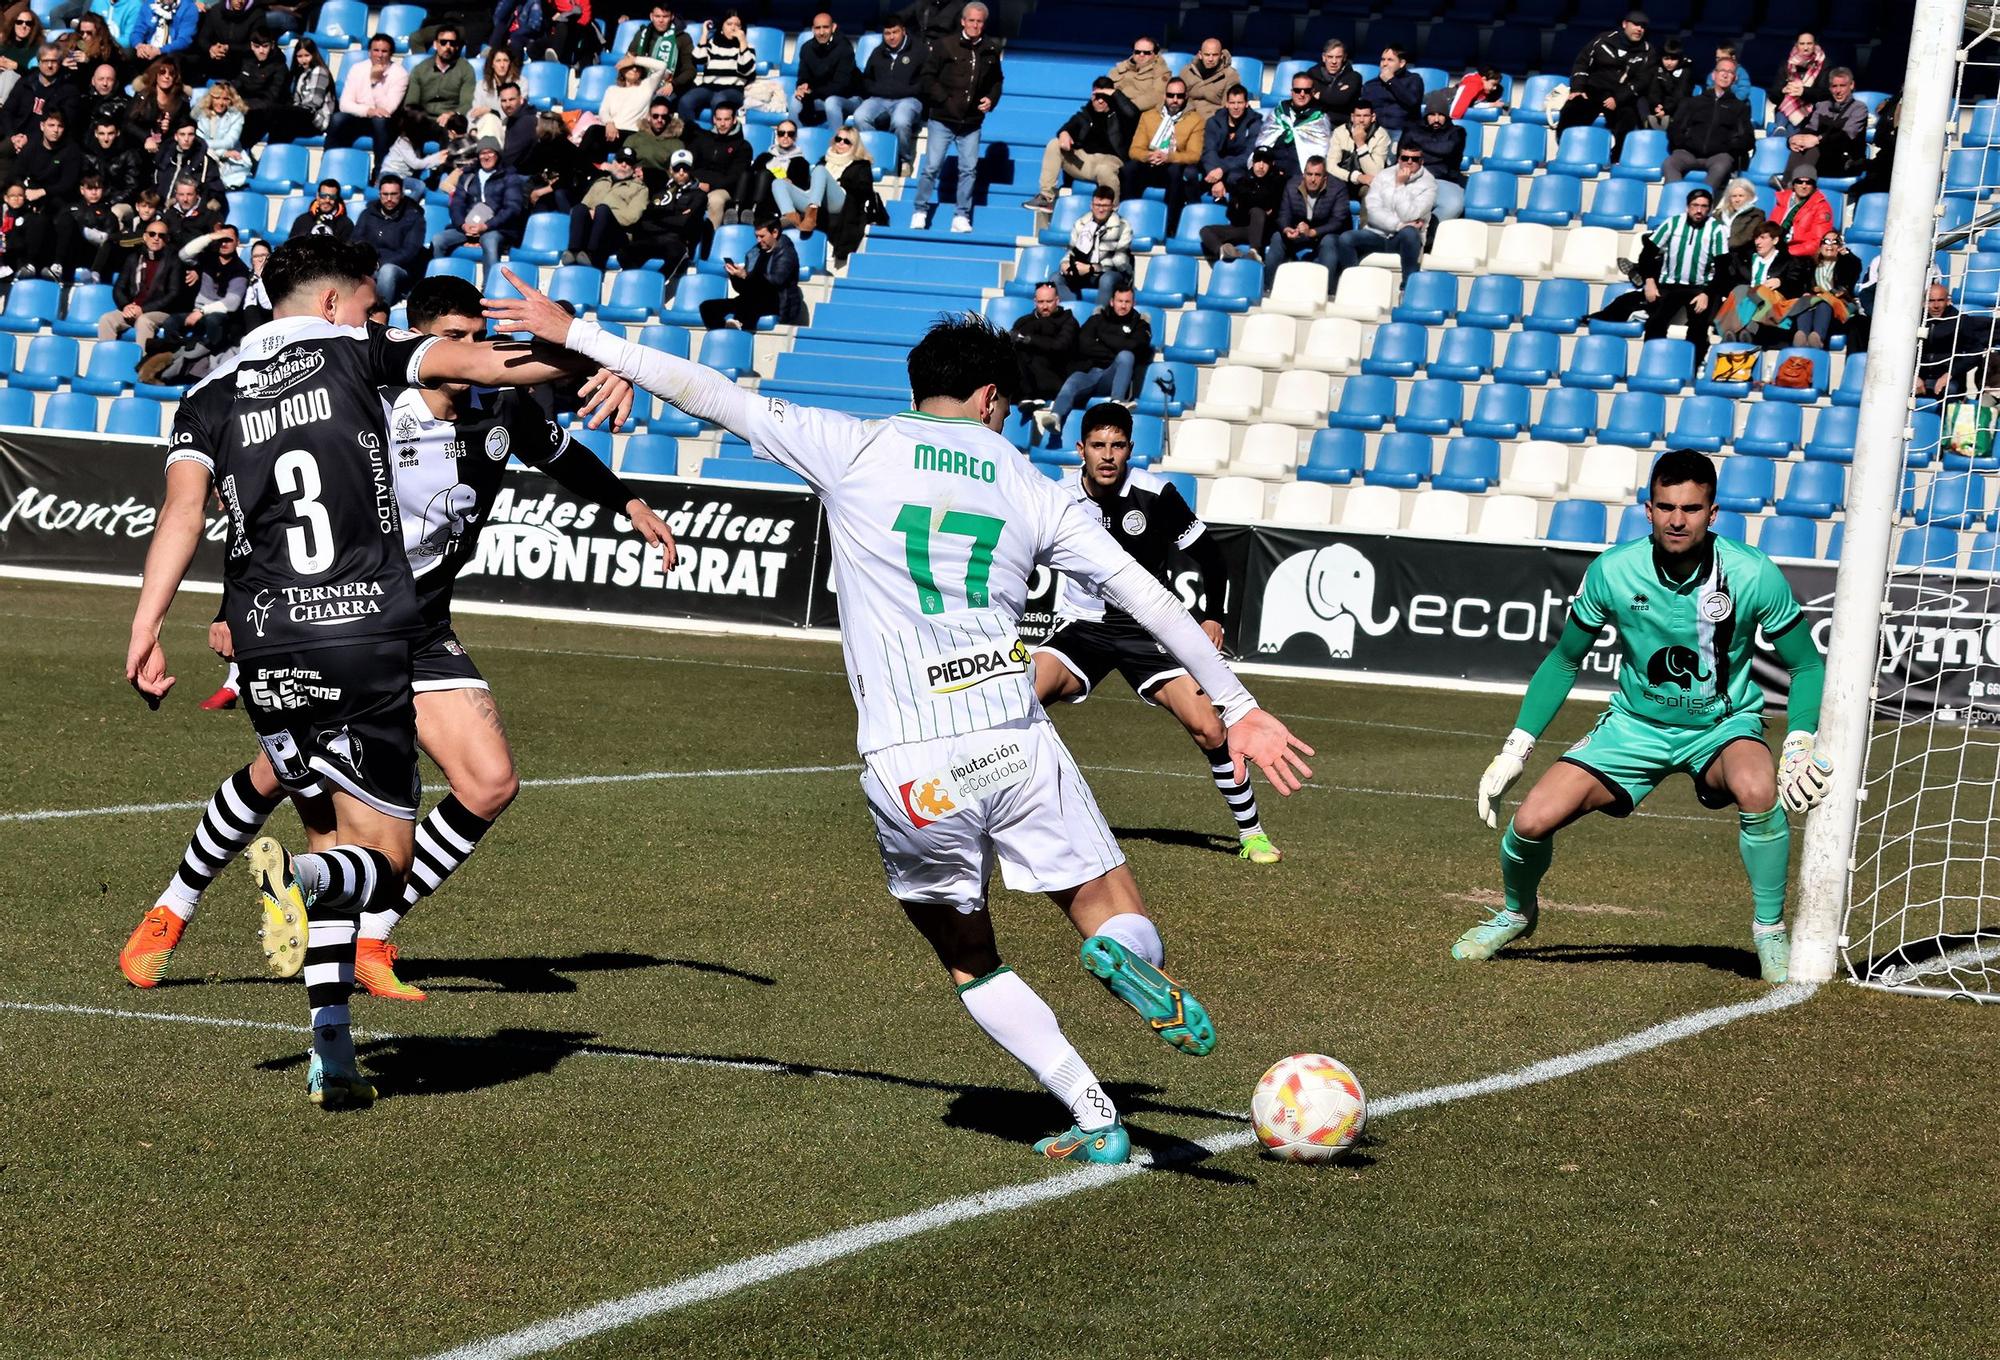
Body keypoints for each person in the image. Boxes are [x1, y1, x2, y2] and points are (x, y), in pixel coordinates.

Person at [483, 285, 1313, 1164]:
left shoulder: (857, 446)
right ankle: (1121, 954)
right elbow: (1143, 594)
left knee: (971, 957)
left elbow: (711, 392)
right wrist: (1239, 705)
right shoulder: (1032, 486)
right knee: (1110, 909)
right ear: (992, 401)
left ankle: (1094, 1110)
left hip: (911, 761)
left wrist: (582, 335)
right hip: (1011, 736)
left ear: (919, 391)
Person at [122, 235, 635, 1106]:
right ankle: (299, 885)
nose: (374, 316)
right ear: (332, 305)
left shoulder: (207, 395)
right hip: (362, 635)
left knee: (323, 815)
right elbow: (487, 362)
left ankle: (333, 1045)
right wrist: (589, 350)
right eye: (365, 301)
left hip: (270, 638)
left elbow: (181, 510)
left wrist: (145, 624)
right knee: (376, 862)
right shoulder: (361, 356)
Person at [1460, 449, 1829, 983]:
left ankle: (1769, 932)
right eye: (1665, 506)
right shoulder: (1613, 569)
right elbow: (1565, 659)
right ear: (1648, 509)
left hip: (1722, 728)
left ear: (1713, 512)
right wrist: (1516, 748)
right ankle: (1518, 913)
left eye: (1691, 508)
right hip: (1634, 728)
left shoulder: (1753, 574)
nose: (1677, 519)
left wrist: (1798, 741)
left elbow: (1807, 666)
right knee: (1529, 822)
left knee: (1757, 785)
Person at [1035, 402, 1281, 863]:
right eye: (1098, 446)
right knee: (1020, 694)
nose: (1107, 455)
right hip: (1081, 627)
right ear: (1080, 449)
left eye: (1118, 446)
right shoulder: (1056, 496)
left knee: (1209, 727)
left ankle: (1252, 834)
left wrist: (1212, 616)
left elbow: (1212, 556)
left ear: (1129, 450)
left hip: (1147, 630)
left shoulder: (1155, 494)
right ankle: (1005, 816)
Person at [1585, 185, 1727, 365]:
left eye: (1704, 206)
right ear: (1687, 206)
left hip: (1699, 289)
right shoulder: (1672, 223)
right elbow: (1647, 254)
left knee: (1698, 328)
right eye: (1695, 205)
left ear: (1709, 208)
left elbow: (1723, 267)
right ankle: (1652, 364)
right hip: (1670, 285)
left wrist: (1707, 293)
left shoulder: (1716, 229)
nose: (1699, 210)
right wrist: (1649, 282)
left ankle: (1691, 367)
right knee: (1655, 323)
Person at [909, 0, 1000, 234]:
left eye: (979, 21)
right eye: (971, 20)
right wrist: (944, 101)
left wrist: (992, 98)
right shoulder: (944, 45)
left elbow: (997, 80)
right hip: (942, 119)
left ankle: (961, 215)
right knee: (931, 167)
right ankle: (920, 210)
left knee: (969, 169)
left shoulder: (991, 49)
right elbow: (928, 77)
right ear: (963, 21)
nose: (975, 25)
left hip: (971, 123)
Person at [138, 220, 249, 380]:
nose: (224, 243)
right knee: (171, 322)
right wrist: (210, 236)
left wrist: (202, 312)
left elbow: (232, 303)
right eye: (221, 239)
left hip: (220, 316)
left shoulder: (240, 269)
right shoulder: (208, 259)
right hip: (198, 311)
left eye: (229, 239)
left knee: (213, 321)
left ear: (237, 242)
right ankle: (174, 357)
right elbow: (184, 254)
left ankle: (198, 361)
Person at [1043, 282, 1151, 436]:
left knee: (1125, 356)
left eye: (1127, 302)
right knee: (1073, 380)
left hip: (1112, 376)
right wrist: (1116, 346)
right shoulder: (1097, 319)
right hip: (1090, 371)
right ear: (1112, 302)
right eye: (1120, 301)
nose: (1123, 306)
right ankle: (1055, 417)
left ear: (1133, 303)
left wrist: (1102, 338)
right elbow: (1083, 345)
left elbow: (1136, 347)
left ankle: (1117, 402)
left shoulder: (1140, 325)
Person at [1332, 141, 1434, 289]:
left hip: (1403, 240)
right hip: (1376, 234)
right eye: (1405, 158)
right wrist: (1398, 224)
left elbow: (1410, 215)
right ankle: (1353, 285)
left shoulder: (1428, 183)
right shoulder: (1384, 176)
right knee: (1346, 238)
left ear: (1421, 161)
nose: (1409, 162)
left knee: (1410, 233)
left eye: (1415, 159)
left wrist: (1400, 185)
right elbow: (1373, 212)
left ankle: (1408, 285)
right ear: (1399, 159)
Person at [1025, 76, 1132, 212]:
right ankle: (1046, 198)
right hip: (1085, 161)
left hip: (1110, 161)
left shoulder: (1120, 115)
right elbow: (1068, 126)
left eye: (1104, 97)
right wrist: (1064, 133)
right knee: (1054, 144)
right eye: (1097, 96)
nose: (1100, 101)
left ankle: (1112, 211)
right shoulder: (1086, 114)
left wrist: (1114, 94)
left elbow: (1132, 114)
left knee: (1104, 170)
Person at [1557, 10, 1653, 157]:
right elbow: (1582, 63)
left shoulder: (1648, 51)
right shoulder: (1602, 40)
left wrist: (1618, 98)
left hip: (1621, 96)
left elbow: (1642, 81)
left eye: (1643, 27)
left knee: (1629, 117)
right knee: (1572, 108)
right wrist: (1577, 87)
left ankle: (1617, 158)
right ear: (1625, 24)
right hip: (1594, 90)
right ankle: (1566, 151)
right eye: (1636, 25)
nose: (1640, 29)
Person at [431, 136, 522, 279]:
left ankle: (488, 291)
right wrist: (462, 225)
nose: (486, 157)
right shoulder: (468, 175)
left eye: (490, 152)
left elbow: (513, 207)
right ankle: (440, 283)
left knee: (489, 241)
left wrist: (486, 226)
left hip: (497, 227)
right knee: (438, 240)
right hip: (469, 226)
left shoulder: (509, 176)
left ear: (497, 154)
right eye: (482, 153)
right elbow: (457, 204)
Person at [1120, 77, 1201, 234]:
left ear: (1186, 97)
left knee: (1176, 171)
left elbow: (1194, 155)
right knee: (1129, 169)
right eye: (1171, 95)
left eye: (1179, 96)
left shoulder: (1195, 120)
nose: (1175, 100)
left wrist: (1168, 157)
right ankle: (1125, 221)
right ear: (1165, 96)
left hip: (1171, 166)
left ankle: (1169, 228)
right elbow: (1135, 150)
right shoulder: (1148, 116)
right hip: (1149, 164)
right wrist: (1150, 155)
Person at [97, 213, 190, 348]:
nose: (156, 238)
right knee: (107, 319)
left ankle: (142, 366)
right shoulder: (133, 258)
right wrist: (126, 306)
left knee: (144, 321)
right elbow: (119, 287)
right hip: (133, 308)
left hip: (160, 311)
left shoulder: (174, 261)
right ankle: (105, 362)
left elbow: (173, 294)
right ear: (145, 237)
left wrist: (144, 309)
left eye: (161, 235)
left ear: (167, 239)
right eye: (152, 234)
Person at [1661, 58, 1753, 193]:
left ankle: (1702, 202)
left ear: (1735, 78)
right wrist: (1685, 142)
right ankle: (1677, 202)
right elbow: (1674, 130)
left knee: (1722, 165)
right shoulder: (1692, 103)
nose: (1725, 75)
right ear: (1714, 75)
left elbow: (1747, 139)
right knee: (1669, 163)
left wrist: (1727, 146)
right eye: (1722, 70)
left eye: (1730, 72)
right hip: (1688, 153)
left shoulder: (1740, 108)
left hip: (1718, 156)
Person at [1261, 155, 1348, 296]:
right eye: (1309, 174)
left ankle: (1327, 292)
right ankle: (1268, 289)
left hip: (1324, 234)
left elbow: (1338, 221)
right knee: (1277, 237)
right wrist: (1286, 229)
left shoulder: (1338, 188)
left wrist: (1313, 232)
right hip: (1299, 232)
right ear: (1304, 174)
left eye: (1317, 175)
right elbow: (1283, 214)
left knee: (1330, 242)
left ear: (1324, 177)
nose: (1312, 179)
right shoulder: (1291, 185)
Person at [698, 215, 804, 329]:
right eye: (756, 236)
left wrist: (746, 275)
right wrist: (735, 276)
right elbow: (743, 289)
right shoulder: (755, 252)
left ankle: (739, 331)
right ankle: (726, 329)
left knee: (750, 305)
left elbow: (775, 282)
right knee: (707, 307)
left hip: (778, 302)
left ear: (774, 233)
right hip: (752, 298)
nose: (759, 240)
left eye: (762, 236)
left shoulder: (786, 252)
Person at [851, 17, 925, 174]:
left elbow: (926, 81)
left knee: (900, 121)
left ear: (903, 31)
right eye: (887, 33)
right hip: (879, 99)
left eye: (895, 32)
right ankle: (876, 155)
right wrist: (878, 90)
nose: (891, 37)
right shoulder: (878, 52)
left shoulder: (919, 51)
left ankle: (903, 160)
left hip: (909, 99)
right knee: (860, 116)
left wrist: (904, 90)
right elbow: (867, 79)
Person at [327, 33, 407, 174]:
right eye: (376, 50)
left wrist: (375, 82)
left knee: (379, 120)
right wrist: (368, 111)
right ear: (369, 52)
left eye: (384, 51)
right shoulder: (357, 68)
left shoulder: (400, 74)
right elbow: (345, 104)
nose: (379, 55)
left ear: (391, 54)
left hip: (385, 123)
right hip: (360, 117)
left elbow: (387, 109)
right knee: (338, 118)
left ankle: (379, 171)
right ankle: (329, 165)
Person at [623, 145, 706, 272]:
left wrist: (659, 218)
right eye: (678, 168)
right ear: (671, 170)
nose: (682, 172)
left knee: (674, 253)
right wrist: (674, 217)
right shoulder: (661, 192)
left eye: (686, 168)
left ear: (691, 170)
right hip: (654, 240)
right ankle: (638, 283)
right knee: (624, 253)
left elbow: (685, 224)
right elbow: (645, 221)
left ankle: (656, 286)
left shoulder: (699, 195)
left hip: (678, 243)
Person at [240, 36, 332, 147]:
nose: (303, 60)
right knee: (271, 121)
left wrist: (290, 108)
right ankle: (256, 151)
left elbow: (313, 102)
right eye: (299, 56)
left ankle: (244, 147)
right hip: (301, 115)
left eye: (307, 55)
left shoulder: (319, 71)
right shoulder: (301, 74)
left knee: (273, 111)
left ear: (314, 55)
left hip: (315, 119)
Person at [1198, 143, 1283, 262]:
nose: (1261, 165)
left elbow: (1271, 211)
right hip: (1243, 228)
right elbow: (1232, 213)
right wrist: (1254, 203)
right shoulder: (1243, 181)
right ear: (1253, 163)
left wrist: (1245, 203)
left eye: (1266, 162)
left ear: (1272, 164)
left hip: (1265, 231)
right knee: (1205, 230)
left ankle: (1255, 252)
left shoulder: (1277, 182)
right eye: (1258, 161)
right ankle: (1224, 251)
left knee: (1256, 211)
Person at [566, 143, 648, 265]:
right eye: (620, 161)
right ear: (614, 163)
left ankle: (592, 255)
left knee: (603, 210)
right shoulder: (600, 183)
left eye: (628, 163)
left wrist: (602, 212)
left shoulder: (640, 189)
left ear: (633, 168)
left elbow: (632, 217)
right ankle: (573, 251)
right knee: (579, 209)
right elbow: (584, 205)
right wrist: (592, 212)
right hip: (593, 228)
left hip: (618, 233)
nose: (624, 165)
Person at [1714, 221, 1793, 345]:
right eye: (1756, 238)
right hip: (1744, 300)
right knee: (1742, 290)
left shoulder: (1788, 262)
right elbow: (1729, 281)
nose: (1758, 242)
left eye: (1763, 238)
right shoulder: (1742, 259)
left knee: (1757, 291)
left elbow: (1796, 285)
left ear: (1775, 240)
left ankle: (1730, 332)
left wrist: (1781, 281)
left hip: (1768, 306)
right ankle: (1747, 330)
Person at [1783, 67, 1866, 182]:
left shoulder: (1859, 108)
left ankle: (1790, 185)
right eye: (1834, 86)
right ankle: (1791, 186)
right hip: (1823, 159)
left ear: (1851, 85)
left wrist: (1817, 140)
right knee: (1800, 147)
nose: (1838, 90)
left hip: (1846, 160)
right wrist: (1793, 139)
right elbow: (1810, 129)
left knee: (1813, 148)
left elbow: (1845, 136)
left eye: (1842, 86)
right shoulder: (1822, 106)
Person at [1781, 229, 1861, 349]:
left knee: (1824, 303)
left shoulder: (1845, 264)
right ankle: (1802, 336)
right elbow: (1801, 283)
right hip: (1813, 302)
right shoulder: (1810, 265)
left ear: (1839, 247)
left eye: (1834, 242)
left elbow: (1855, 267)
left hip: (1838, 302)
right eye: (1826, 242)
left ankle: (1818, 339)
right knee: (1806, 301)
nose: (1829, 245)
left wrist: (1847, 254)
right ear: (1820, 245)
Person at [1914, 282, 1993, 400]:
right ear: (1924, 302)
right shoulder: (1915, 320)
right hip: (1918, 377)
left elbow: (1975, 353)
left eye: (1940, 300)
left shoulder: (1960, 321)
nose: (1936, 305)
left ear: (1948, 301)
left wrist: (1950, 374)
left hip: (1949, 378)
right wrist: (1914, 376)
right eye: (1931, 301)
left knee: (1950, 390)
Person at [354, 174, 426, 303]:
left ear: (402, 194)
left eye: (393, 194)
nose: (389, 199)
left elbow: (409, 252)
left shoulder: (414, 217)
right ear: (379, 195)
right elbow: (356, 240)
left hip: (399, 268)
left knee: (387, 271)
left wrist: (379, 264)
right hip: (369, 264)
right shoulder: (367, 214)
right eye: (385, 194)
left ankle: (380, 311)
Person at [677, 12, 755, 128]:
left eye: (737, 25)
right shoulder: (712, 44)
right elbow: (698, 59)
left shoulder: (747, 47)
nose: (733, 28)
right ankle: (690, 135)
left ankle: (715, 138)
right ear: (722, 27)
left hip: (733, 90)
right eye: (729, 24)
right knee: (685, 101)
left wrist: (742, 41)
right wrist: (704, 34)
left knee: (718, 99)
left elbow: (746, 70)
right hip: (708, 87)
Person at [1057, 184, 1130, 305]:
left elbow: (1121, 262)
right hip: (1083, 272)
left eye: (1105, 206)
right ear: (1091, 205)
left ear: (1113, 207)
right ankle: (1071, 316)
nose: (1101, 210)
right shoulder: (1081, 223)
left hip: (1111, 273)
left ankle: (1098, 319)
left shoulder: (1123, 226)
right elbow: (1071, 251)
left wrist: (1093, 268)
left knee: (1107, 280)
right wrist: (1065, 264)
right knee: (1056, 278)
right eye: (1098, 205)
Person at [1009, 279, 1078, 406]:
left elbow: (1059, 346)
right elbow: (1012, 340)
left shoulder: (1068, 321)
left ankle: (1031, 396)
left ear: (1057, 300)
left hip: (1056, 377)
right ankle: (1027, 396)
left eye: (1049, 301)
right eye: (1041, 302)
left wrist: (1028, 339)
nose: (1045, 306)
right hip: (1026, 378)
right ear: (1035, 302)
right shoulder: (1024, 322)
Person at [1400, 91, 1467, 221]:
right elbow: (1402, 154)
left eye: (1440, 115)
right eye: (1432, 115)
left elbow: (1447, 149)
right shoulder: (1413, 130)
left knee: (1454, 205)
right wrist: (1437, 154)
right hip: (1414, 179)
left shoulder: (1457, 132)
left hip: (1444, 181)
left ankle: (1431, 231)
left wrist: (1418, 147)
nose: (1436, 119)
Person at [684, 100, 751, 228]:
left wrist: (710, 186)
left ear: (734, 120)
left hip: (722, 189)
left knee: (715, 200)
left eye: (726, 119)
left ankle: (709, 240)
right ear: (714, 120)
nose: (722, 124)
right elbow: (689, 164)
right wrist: (696, 182)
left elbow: (735, 176)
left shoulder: (743, 146)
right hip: (696, 184)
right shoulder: (701, 139)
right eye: (719, 119)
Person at [1260, 70, 1334, 183]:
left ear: (1313, 92)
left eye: (1307, 91)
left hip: (1300, 173)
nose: (1302, 94)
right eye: (1297, 90)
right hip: (1273, 168)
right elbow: (1264, 141)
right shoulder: (1279, 112)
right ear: (1291, 92)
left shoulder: (1319, 117)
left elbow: (1320, 152)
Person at [792, 11, 859, 129]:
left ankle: (837, 144)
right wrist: (802, 86)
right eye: (818, 28)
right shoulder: (806, 48)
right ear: (813, 29)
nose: (821, 32)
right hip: (819, 95)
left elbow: (841, 86)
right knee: (795, 100)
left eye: (825, 27)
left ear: (833, 27)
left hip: (847, 98)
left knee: (831, 102)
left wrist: (812, 93)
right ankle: (796, 142)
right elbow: (803, 76)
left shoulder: (845, 48)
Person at [1197, 83, 1261, 203]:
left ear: (1246, 104)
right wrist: (1216, 179)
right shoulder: (1214, 122)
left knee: (1235, 178)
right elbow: (1209, 151)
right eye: (1232, 103)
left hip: (1237, 168)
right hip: (1214, 169)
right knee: (1190, 174)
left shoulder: (1255, 124)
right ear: (1226, 104)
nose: (1235, 107)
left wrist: (1222, 169)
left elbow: (1248, 155)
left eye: (1240, 103)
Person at [405, 26, 474, 128]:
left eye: (452, 43)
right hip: (424, 120)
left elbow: (467, 104)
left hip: (451, 120)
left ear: (457, 47)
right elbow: (411, 103)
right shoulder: (420, 69)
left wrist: (452, 114)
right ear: (435, 44)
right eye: (443, 42)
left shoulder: (465, 69)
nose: (448, 46)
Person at [749, 118, 813, 226]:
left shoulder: (801, 163)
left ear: (795, 137)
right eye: (781, 133)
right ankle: (752, 210)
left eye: (790, 133)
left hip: (781, 204)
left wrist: (790, 184)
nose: (785, 136)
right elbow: (751, 177)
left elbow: (802, 190)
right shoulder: (764, 157)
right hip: (761, 199)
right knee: (763, 175)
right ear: (777, 135)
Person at [626, 4, 695, 102]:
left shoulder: (683, 38)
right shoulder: (642, 35)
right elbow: (628, 59)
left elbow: (690, 70)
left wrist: (673, 84)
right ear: (651, 16)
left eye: (665, 16)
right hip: (644, 84)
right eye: (657, 16)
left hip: (672, 87)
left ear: (672, 17)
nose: (661, 20)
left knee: (657, 100)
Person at [1322, 101, 1388, 199]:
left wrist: (1361, 144)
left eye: (1366, 116)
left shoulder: (1381, 135)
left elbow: (1376, 173)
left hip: (1366, 184)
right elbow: (1331, 167)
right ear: (1352, 117)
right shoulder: (1340, 132)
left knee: (1371, 191)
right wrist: (1356, 177)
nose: (1361, 120)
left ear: (1373, 117)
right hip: (1343, 179)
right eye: (1358, 116)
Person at [1769, 31, 1829, 131]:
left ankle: (1781, 131)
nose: (1806, 47)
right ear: (1796, 45)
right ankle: (1781, 130)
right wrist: (1783, 91)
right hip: (1786, 112)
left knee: (1791, 129)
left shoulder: (1825, 65)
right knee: (1788, 107)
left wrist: (1803, 92)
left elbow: (1826, 94)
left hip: (1812, 113)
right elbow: (1773, 95)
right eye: (1802, 44)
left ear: (1815, 45)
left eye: (1809, 43)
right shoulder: (1787, 64)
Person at [194, 83, 249, 192]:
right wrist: (222, 153)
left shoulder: (236, 116)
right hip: (207, 157)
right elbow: (198, 142)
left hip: (232, 161)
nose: (221, 103)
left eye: (225, 99)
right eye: (217, 98)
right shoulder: (202, 115)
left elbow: (229, 142)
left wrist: (209, 147)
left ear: (231, 101)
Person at [1361, 45, 1423, 136]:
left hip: (1404, 132)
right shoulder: (1371, 85)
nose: (1384, 63)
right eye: (1383, 59)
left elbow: (1412, 102)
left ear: (1401, 63)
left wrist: (1391, 81)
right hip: (1377, 133)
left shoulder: (1413, 79)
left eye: (1390, 60)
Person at [1773, 163, 1833, 256]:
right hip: (1776, 248)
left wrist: (1787, 253)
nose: (1803, 186)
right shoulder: (1783, 200)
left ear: (1814, 186)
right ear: (1793, 184)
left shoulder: (1821, 206)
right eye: (1799, 182)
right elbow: (1770, 228)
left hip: (1799, 256)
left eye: (1808, 182)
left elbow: (1818, 242)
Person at [1176, 37, 1239, 124]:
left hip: (1212, 123)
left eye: (1215, 55)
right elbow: (1176, 98)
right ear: (1200, 55)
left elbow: (1228, 108)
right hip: (1185, 119)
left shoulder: (1230, 75)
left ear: (1221, 56)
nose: (1210, 59)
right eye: (1207, 55)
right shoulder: (1187, 71)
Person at [468, 44, 519, 140]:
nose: (502, 65)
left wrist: (491, 112)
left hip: (510, 127)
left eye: (505, 60)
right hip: (485, 127)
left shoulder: (520, 83)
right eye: (498, 61)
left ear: (510, 63)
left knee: (490, 119)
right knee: (487, 122)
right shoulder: (481, 85)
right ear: (492, 64)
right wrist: (472, 129)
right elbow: (474, 112)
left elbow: (517, 111)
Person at [1307, 38, 1362, 125]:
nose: (1334, 61)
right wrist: (1335, 93)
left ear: (1344, 57)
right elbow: (1307, 99)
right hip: (1316, 122)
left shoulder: (1354, 77)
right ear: (1324, 57)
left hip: (1342, 125)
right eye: (1330, 57)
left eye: (1338, 57)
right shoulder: (1312, 73)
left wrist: (1320, 95)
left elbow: (1342, 99)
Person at [1641, 38, 1694, 129]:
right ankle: (1648, 122)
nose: (1669, 63)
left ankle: (1672, 123)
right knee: (1641, 98)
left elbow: (1680, 94)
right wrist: (1657, 107)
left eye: (1673, 59)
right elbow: (1654, 91)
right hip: (1659, 107)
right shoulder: (1657, 69)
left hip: (1674, 107)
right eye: (1666, 59)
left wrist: (1666, 110)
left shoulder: (1686, 71)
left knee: (1685, 102)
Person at [1106, 33, 1165, 113]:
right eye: (1137, 52)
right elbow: (1105, 90)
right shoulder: (1119, 69)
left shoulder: (1161, 72)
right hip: (1113, 112)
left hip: (1139, 114)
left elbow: (1156, 96)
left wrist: (1125, 106)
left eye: (1146, 52)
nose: (1141, 55)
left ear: (1155, 54)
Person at [625, 96, 684, 173]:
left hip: (659, 182)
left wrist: (649, 175)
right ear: (649, 117)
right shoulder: (634, 139)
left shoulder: (677, 145)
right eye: (655, 116)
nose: (659, 120)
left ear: (669, 118)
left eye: (664, 116)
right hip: (633, 180)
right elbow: (622, 163)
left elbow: (678, 174)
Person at [287, 177, 353, 241]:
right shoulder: (302, 220)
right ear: (317, 196)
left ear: (337, 199)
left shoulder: (346, 224)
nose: (327, 200)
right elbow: (291, 247)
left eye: (332, 197)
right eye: (323, 196)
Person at [1716, 176, 1764, 252]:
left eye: (1741, 196)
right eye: (1734, 196)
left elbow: (1743, 238)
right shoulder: (1719, 214)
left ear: (1749, 197)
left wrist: (1719, 246)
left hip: (1740, 255)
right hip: (1718, 253)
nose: (1737, 200)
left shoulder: (1756, 215)